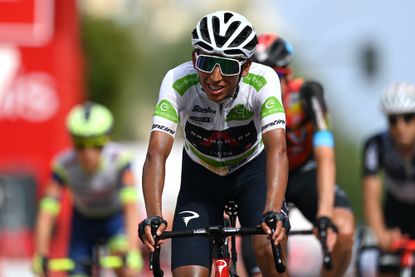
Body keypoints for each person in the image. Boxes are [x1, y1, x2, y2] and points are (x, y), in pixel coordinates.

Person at [138, 10, 290, 277]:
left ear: (245, 67)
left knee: (267, 247)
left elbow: (277, 149)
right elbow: (156, 154)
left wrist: (272, 210)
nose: (215, 77)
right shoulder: (177, 81)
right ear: (194, 58)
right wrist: (154, 215)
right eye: (207, 63)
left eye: (228, 66)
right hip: (200, 181)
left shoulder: (264, 80)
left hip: (252, 174)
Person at [241, 33, 355, 277]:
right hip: (264, 176)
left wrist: (324, 213)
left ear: (287, 75)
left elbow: (325, 155)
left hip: (304, 174)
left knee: (343, 229)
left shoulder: (307, 94)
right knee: (265, 253)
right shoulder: (244, 101)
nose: (265, 86)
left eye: (272, 78)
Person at [32, 101, 143, 277]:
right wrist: (40, 252)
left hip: (114, 220)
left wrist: (133, 249)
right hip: (83, 222)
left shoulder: (120, 160)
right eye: (80, 145)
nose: (88, 153)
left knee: (124, 265)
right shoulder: (63, 165)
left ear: (106, 140)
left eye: (96, 144)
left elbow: (130, 205)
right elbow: (47, 211)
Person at [361, 82, 415, 276]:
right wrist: (381, 233)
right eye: (393, 119)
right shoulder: (376, 145)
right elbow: (370, 195)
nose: (400, 126)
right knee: (383, 265)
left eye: (408, 118)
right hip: (394, 212)